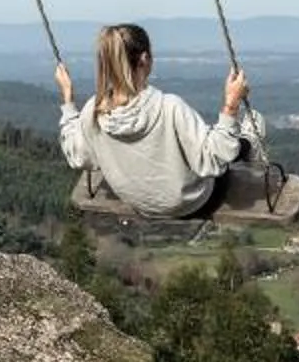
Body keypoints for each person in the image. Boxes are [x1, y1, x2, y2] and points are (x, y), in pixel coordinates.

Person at [54, 21, 265, 221]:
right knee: (229, 141)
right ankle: (248, 144)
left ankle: (240, 142)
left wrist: (68, 101)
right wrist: (231, 105)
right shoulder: (169, 108)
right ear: (145, 59)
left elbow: (79, 157)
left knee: (199, 139)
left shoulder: (93, 110)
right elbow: (213, 161)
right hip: (191, 202)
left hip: (141, 204)